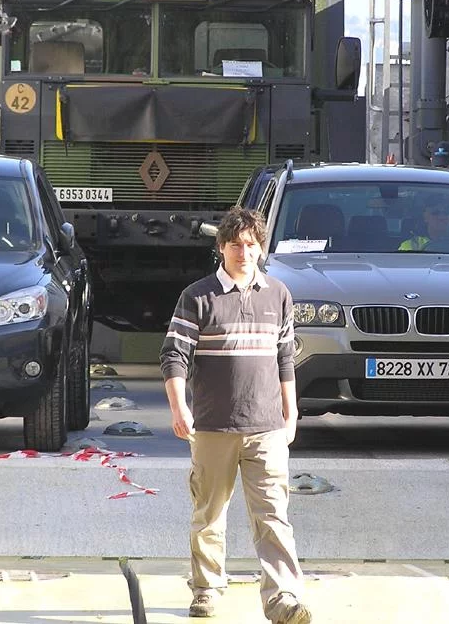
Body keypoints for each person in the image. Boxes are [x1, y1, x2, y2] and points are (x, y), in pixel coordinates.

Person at [160, 207, 311, 624]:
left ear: (261, 248)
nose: (243, 252)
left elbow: (285, 358)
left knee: (274, 518)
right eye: (234, 245)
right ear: (221, 248)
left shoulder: (279, 294)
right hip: (213, 429)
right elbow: (174, 356)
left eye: (250, 245)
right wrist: (179, 408)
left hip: (266, 429)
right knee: (209, 515)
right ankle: (206, 591)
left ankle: (283, 599)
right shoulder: (197, 296)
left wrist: (290, 412)